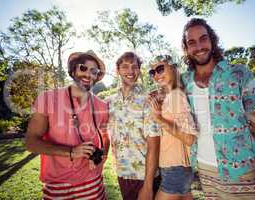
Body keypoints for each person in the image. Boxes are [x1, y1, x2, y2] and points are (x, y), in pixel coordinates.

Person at [181, 18, 255, 200]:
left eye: (203, 38)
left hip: (242, 170)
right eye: (191, 42)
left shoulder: (239, 73)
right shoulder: (184, 82)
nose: (199, 46)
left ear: (212, 40)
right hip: (205, 173)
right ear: (186, 48)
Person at [25, 50, 110, 199]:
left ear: (97, 77)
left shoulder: (102, 106)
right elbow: (31, 142)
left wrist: (102, 155)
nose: (88, 74)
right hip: (58, 186)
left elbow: (105, 136)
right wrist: (71, 151)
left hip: (93, 183)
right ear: (73, 70)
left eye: (94, 71)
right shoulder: (48, 99)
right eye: (83, 68)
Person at [107, 52, 161, 200]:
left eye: (134, 67)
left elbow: (154, 144)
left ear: (139, 70)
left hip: (144, 176)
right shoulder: (110, 102)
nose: (130, 71)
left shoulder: (148, 100)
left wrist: (148, 186)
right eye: (125, 66)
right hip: (122, 173)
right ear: (117, 70)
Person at [147, 55, 198, 200]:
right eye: (152, 72)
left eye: (160, 69)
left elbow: (189, 138)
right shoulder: (171, 96)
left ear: (173, 68)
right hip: (175, 168)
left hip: (176, 169)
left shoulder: (176, 96)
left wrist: (159, 119)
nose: (156, 75)